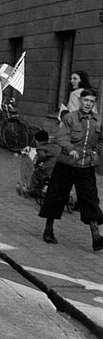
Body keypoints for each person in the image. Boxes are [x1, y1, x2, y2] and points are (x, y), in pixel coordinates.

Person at [40, 89, 103, 251]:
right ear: (80, 101)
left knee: (90, 199)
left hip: (86, 165)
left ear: (94, 103)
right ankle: (49, 229)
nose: (88, 103)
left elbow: (101, 141)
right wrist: (70, 149)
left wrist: (96, 152)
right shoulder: (70, 118)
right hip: (66, 164)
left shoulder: (98, 121)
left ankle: (96, 237)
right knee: (56, 196)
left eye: (91, 101)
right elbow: (61, 137)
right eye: (85, 100)